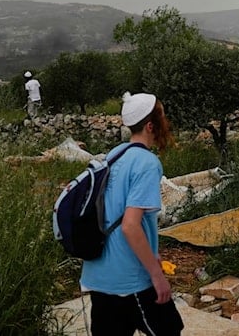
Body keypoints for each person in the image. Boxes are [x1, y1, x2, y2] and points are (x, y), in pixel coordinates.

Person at [80, 91, 183, 336]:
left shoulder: (115, 155)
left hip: (99, 274)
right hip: (129, 278)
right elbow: (130, 226)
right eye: (162, 118)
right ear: (150, 126)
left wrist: (152, 253)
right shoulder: (147, 163)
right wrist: (157, 276)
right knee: (170, 330)